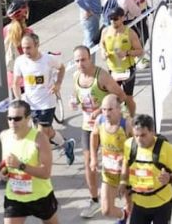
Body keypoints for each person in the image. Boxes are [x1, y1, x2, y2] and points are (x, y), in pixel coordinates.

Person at [71, 45, 126, 219]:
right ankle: (94, 199)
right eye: (77, 61)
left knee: (117, 158)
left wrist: (103, 111)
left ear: (90, 58)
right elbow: (80, 99)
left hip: (108, 125)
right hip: (88, 126)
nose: (80, 64)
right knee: (89, 162)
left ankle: (125, 190)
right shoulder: (76, 77)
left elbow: (120, 96)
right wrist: (75, 103)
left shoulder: (101, 76)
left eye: (83, 59)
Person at [12, 33, 75, 165]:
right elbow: (16, 83)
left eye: (29, 48)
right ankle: (66, 145)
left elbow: (62, 68)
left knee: (40, 135)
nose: (26, 51)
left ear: (37, 45)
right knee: (48, 131)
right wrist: (19, 101)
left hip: (47, 103)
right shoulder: (20, 61)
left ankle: (38, 165)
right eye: (23, 48)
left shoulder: (48, 59)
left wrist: (58, 84)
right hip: (30, 104)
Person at [0, 100, 58, 224]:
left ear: (28, 118)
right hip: (14, 196)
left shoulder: (40, 139)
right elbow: (4, 163)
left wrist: (20, 165)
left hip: (40, 196)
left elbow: (46, 173)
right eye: (9, 118)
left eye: (17, 118)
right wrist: (3, 172)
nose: (12, 123)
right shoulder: (4, 136)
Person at [119, 113, 172, 224]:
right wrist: (123, 182)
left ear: (152, 132)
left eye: (143, 135)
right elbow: (126, 164)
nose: (139, 139)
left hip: (161, 204)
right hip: (139, 204)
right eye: (136, 135)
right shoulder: (129, 145)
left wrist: (169, 178)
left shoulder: (165, 148)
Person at [89, 94, 133, 222]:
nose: (106, 113)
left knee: (131, 206)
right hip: (109, 173)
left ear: (119, 109)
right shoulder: (100, 121)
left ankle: (127, 216)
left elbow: (137, 146)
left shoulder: (127, 124)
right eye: (103, 109)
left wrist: (126, 159)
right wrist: (93, 158)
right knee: (106, 210)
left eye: (110, 109)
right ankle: (123, 215)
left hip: (127, 174)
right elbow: (94, 136)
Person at [100, 8, 144, 118]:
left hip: (127, 70)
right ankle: (117, 117)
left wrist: (127, 53)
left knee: (128, 97)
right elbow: (102, 44)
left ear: (122, 18)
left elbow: (140, 51)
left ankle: (132, 118)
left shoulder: (130, 33)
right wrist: (103, 53)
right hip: (113, 70)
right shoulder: (105, 31)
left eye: (115, 19)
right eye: (110, 19)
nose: (112, 22)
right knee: (113, 97)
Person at [125, 0, 155, 66]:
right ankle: (138, 55)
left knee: (144, 33)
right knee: (142, 34)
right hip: (135, 11)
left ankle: (139, 55)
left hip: (142, 8)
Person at [4, 0, 33, 92]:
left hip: (12, 77)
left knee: (16, 105)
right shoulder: (28, 32)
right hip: (27, 77)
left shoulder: (5, 30)